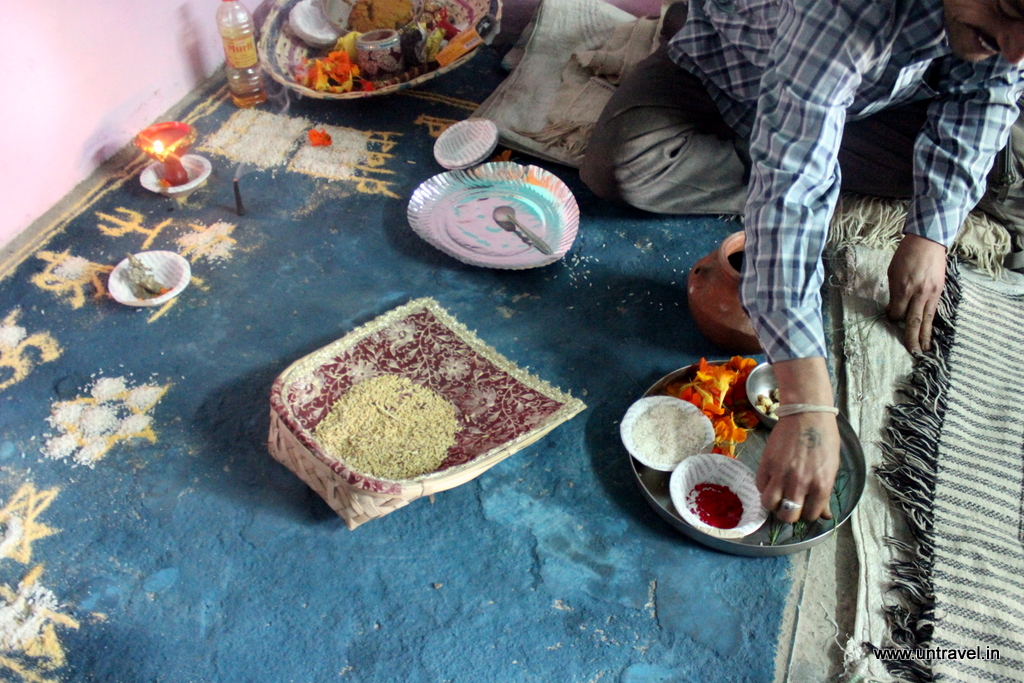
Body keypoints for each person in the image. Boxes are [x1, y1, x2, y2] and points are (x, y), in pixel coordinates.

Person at [580, 0, 1024, 523]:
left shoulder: (1004, 38)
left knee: (999, 154)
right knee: (623, 169)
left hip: (871, 95)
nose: (1017, 49)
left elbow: (986, 92)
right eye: (1007, 8)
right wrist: (808, 403)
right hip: (731, 67)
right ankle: (792, 139)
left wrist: (932, 233)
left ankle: (799, 140)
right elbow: (793, 194)